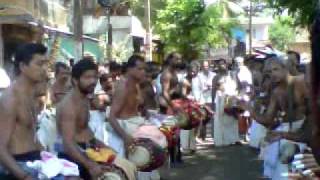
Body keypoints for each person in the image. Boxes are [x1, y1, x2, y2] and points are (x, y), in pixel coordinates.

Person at [56, 59, 135, 180]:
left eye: (94, 77)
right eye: (87, 77)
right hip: (75, 155)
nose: (93, 81)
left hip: (90, 149)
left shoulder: (84, 98)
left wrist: (105, 148)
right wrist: (90, 165)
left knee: (128, 167)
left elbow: (84, 129)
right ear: (75, 80)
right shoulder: (69, 105)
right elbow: (68, 144)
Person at [247, 56, 308, 179]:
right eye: (269, 72)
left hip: (305, 129)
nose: (273, 74)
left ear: (285, 68)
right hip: (286, 130)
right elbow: (268, 120)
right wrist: (248, 109)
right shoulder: (276, 92)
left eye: (276, 69)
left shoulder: (301, 81)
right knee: (279, 166)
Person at [0, 43, 48, 179]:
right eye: (39, 64)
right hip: (17, 164)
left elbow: (30, 134)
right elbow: (0, 148)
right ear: (22, 66)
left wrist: (49, 158)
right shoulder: (11, 99)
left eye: (45, 64)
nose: (44, 69)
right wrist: (24, 177)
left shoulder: (31, 95)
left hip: (35, 160)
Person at [212, 59, 240, 146]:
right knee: (222, 120)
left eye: (223, 64)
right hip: (221, 100)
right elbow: (213, 90)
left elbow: (239, 86)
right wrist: (213, 102)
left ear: (226, 65)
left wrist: (236, 96)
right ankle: (224, 140)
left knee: (232, 119)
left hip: (232, 99)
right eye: (219, 64)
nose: (221, 66)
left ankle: (234, 139)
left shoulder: (233, 75)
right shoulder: (216, 77)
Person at [197, 60, 215, 142]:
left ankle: (213, 135)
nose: (205, 68)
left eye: (207, 66)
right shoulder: (198, 75)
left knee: (211, 117)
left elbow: (217, 86)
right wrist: (205, 88)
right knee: (203, 117)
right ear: (201, 67)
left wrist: (211, 87)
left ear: (209, 66)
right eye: (204, 66)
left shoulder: (214, 75)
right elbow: (197, 87)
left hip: (212, 98)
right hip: (202, 99)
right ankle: (202, 136)